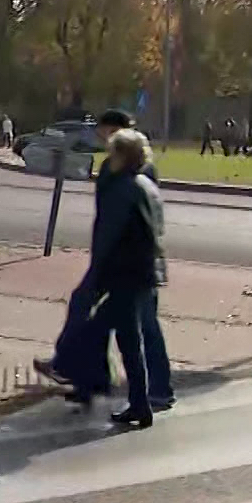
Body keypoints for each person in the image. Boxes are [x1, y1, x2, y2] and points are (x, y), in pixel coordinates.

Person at [65, 128, 165, 429]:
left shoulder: (122, 188)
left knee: (108, 334)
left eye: (113, 153)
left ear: (122, 155)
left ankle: (110, 392)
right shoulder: (147, 185)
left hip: (124, 274)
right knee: (128, 338)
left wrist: (95, 277)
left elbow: (108, 236)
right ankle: (137, 402)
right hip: (144, 272)